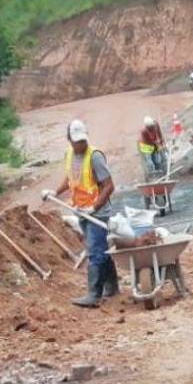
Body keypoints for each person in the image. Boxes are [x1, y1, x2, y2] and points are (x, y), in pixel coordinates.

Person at [53, 119, 118, 308]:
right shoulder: (70, 155)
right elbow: (71, 178)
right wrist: (55, 192)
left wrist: (95, 207)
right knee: (101, 249)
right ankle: (112, 287)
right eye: (76, 141)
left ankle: (94, 294)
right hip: (81, 210)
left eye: (83, 140)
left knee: (95, 251)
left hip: (97, 212)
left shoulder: (95, 156)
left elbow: (109, 185)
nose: (81, 144)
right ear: (69, 140)